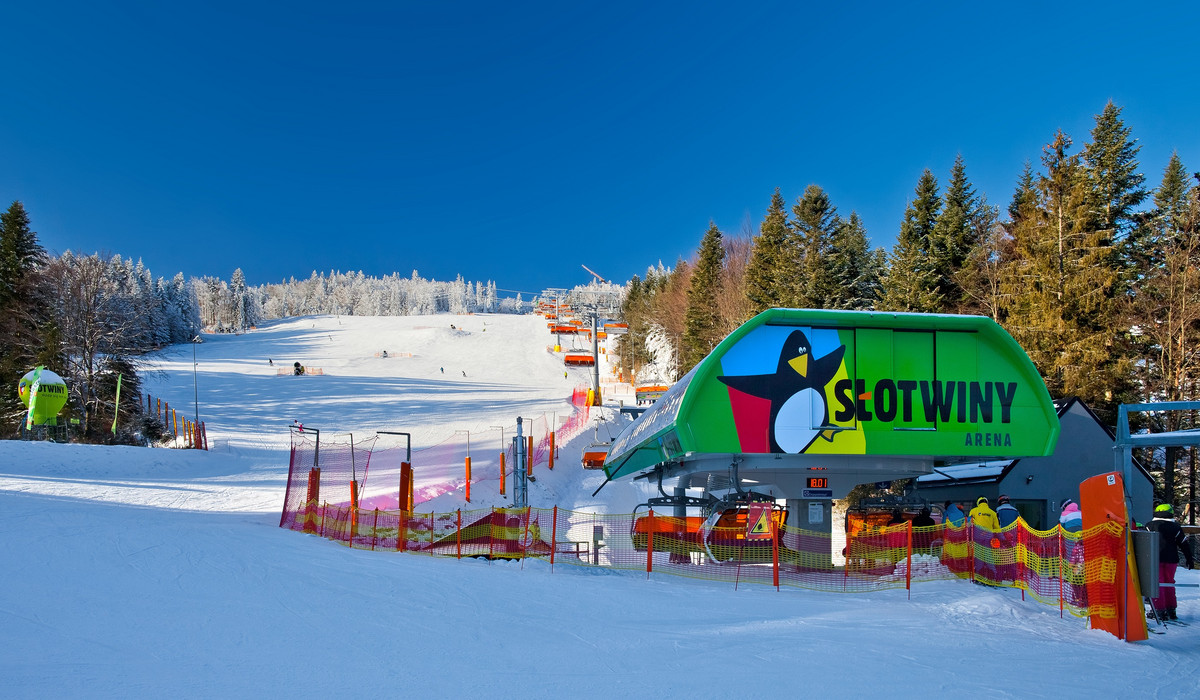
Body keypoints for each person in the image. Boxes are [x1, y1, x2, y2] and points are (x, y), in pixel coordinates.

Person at [1147, 503, 1195, 621]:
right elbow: (1184, 544)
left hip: (1155, 559)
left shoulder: (1149, 526)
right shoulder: (1175, 527)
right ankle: (1171, 609)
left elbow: (1143, 542)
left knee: (1157, 583)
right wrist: (1189, 559)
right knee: (1169, 582)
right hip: (1172, 560)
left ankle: (1158, 610)